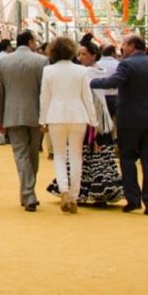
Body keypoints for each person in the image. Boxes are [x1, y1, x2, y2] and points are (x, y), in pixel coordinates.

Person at [90, 35, 148, 216]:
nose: (121, 49)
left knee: (127, 160)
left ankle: (133, 200)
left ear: (132, 46)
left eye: (124, 45)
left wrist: (91, 81)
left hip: (129, 120)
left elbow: (112, 82)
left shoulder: (126, 65)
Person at [49, 41, 123, 206]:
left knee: (81, 155)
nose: (80, 57)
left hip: (91, 118)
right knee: (83, 155)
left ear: (93, 55)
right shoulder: (86, 72)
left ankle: (79, 191)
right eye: (79, 54)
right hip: (91, 118)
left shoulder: (88, 73)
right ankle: (83, 191)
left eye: (84, 54)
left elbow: (92, 99)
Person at [37, 37, 98, 214]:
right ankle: (74, 195)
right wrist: (93, 121)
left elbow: (44, 97)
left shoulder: (48, 71)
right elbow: (87, 98)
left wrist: (42, 120)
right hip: (78, 116)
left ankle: (63, 189)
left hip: (55, 116)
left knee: (59, 156)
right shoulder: (81, 71)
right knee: (76, 156)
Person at [0, 30, 48, 211]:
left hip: (12, 114)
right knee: (33, 155)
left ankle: (27, 193)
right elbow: (44, 91)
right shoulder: (41, 61)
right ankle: (28, 194)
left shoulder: (3, 62)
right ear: (31, 42)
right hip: (36, 113)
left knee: (21, 155)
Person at [97, 44, 121, 119]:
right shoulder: (118, 64)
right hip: (115, 96)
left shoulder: (97, 64)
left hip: (100, 96)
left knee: (104, 122)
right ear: (113, 53)